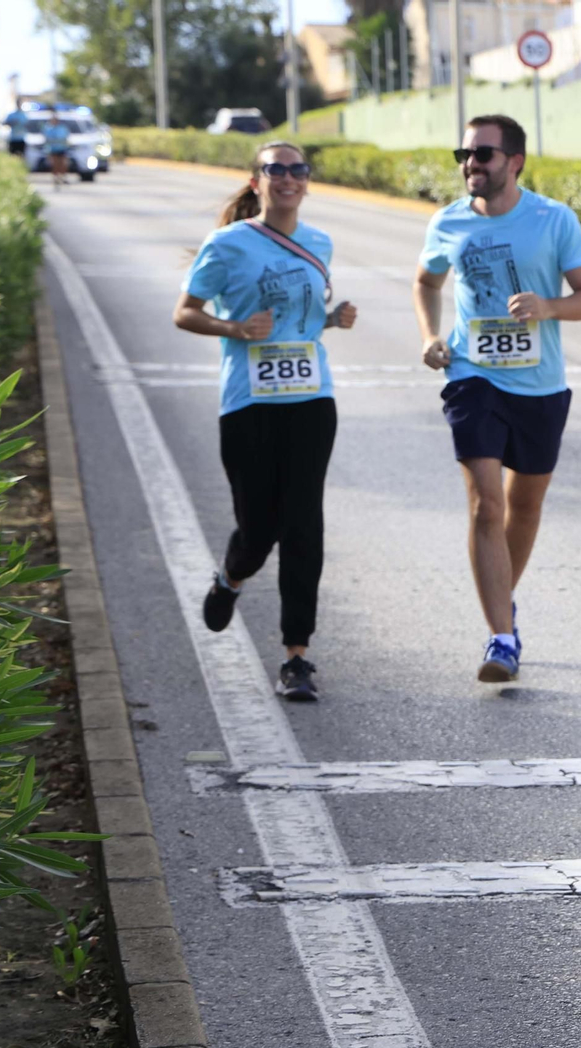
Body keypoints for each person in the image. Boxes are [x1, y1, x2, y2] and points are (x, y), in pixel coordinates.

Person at [413, 114, 581, 683]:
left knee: (524, 507)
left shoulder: (552, 219)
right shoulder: (448, 222)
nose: (471, 164)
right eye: (465, 155)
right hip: (472, 376)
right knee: (486, 505)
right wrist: (429, 335)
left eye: (483, 154)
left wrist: (549, 307)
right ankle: (501, 638)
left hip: (540, 385)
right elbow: (426, 281)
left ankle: (502, 602)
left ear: (514, 161)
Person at [173, 141, 357, 702]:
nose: (288, 177)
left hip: (311, 397)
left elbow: (302, 322)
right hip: (248, 402)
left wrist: (332, 319)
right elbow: (185, 312)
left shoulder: (319, 242)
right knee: (258, 529)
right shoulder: (228, 244)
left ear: (307, 180)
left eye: (297, 169)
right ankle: (231, 576)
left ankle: (296, 655)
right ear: (257, 181)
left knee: (304, 523)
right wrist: (233, 329)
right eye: (275, 169)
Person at [43, 111, 70, 188]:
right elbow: (47, 140)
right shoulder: (48, 129)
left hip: (62, 148)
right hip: (53, 149)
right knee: (55, 164)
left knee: (63, 163)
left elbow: (66, 138)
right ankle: (56, 178)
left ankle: (63, 177)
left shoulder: (62, 128)